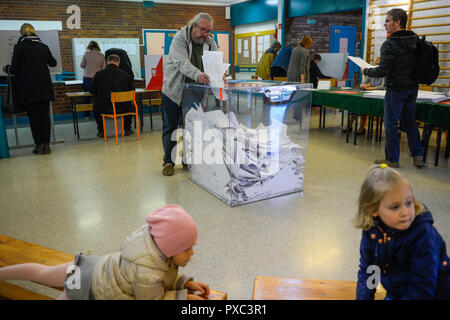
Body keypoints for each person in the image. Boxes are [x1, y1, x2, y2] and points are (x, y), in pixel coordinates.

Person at [0, 205, 211, 300]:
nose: (192, 253)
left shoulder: (155, 249)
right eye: (187, 248)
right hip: (87, 288)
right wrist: (184, 297)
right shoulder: (147, 269)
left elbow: (161, 281)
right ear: (170, 248)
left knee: (42, 273)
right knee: (45, 277)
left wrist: (183, 283)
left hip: (91, 267)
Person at [354, 164, 450, 300]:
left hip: (434, 294)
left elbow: (422, 288)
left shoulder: (423, 234)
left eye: (409, 203)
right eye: (395, 207)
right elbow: (370, 271)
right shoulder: (372, 230)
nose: (405, 212)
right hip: (398, 291)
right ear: (373, 209)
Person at [361, 8, 424, 168]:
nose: (385, 24)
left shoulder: (390, 43)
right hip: (412, 88)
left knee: (391, 123)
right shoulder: (415, 41)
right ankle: (418, 155)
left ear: (397, 22)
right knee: (410, 122)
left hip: (396, 89)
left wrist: (366, 70)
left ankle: (392, 159)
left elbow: (383, 70)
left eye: (388, 20)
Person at [161, 12, 219, 177]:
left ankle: (188, 160)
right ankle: (168, 162)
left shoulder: (209, 42)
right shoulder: (179, 38)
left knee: (191, 128)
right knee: (170, 127)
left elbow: (216, 61)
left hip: (194, 92)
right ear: (193, 26)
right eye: (202, 30)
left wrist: (220, 73)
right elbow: (182, 63)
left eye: (208, 31)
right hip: (173, 91)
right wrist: (198, 74)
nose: (205, 34)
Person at [3, 23, 57, 155]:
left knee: (34, 118)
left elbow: (14, 69)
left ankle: (38, 146)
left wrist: (7, 68)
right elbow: (53, 63)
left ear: (22, 33)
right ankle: (47, 145)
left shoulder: (19, 47)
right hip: (44, 88)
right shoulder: (43, 46)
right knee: (45, 118)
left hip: (28, 90)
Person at [89, 54, 134, 138]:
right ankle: (128, 129)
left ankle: (101, 131)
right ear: (118, 63)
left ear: (107, 62)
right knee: (129, 104)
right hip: (123, 108)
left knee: (96, 106)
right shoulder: (125, 75)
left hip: (104, 107)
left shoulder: (98, 74)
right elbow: (132, 90)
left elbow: (92, 91)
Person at [344, 57, 386, 135]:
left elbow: (383, 87)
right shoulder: (371, 73)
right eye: (377, 64)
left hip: (379, 96)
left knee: (364, 106)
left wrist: (370, 88)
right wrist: (363, 86)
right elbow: (362, 83)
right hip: (369, 93)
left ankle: (361, 127)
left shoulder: (384, 73)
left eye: (379, 64)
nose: (377, 65)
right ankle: (350, 125)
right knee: (356, 104)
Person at [80, 41, 106, 119]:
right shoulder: (101, 55)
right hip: (98, 78)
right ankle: (100, 114)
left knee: (87, 97)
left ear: (89, 46)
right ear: (97, 46)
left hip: (87, 78)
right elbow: (104, 68)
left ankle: (87, 115)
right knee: (99, 96)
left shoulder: (86, 54)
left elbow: (82, 65)